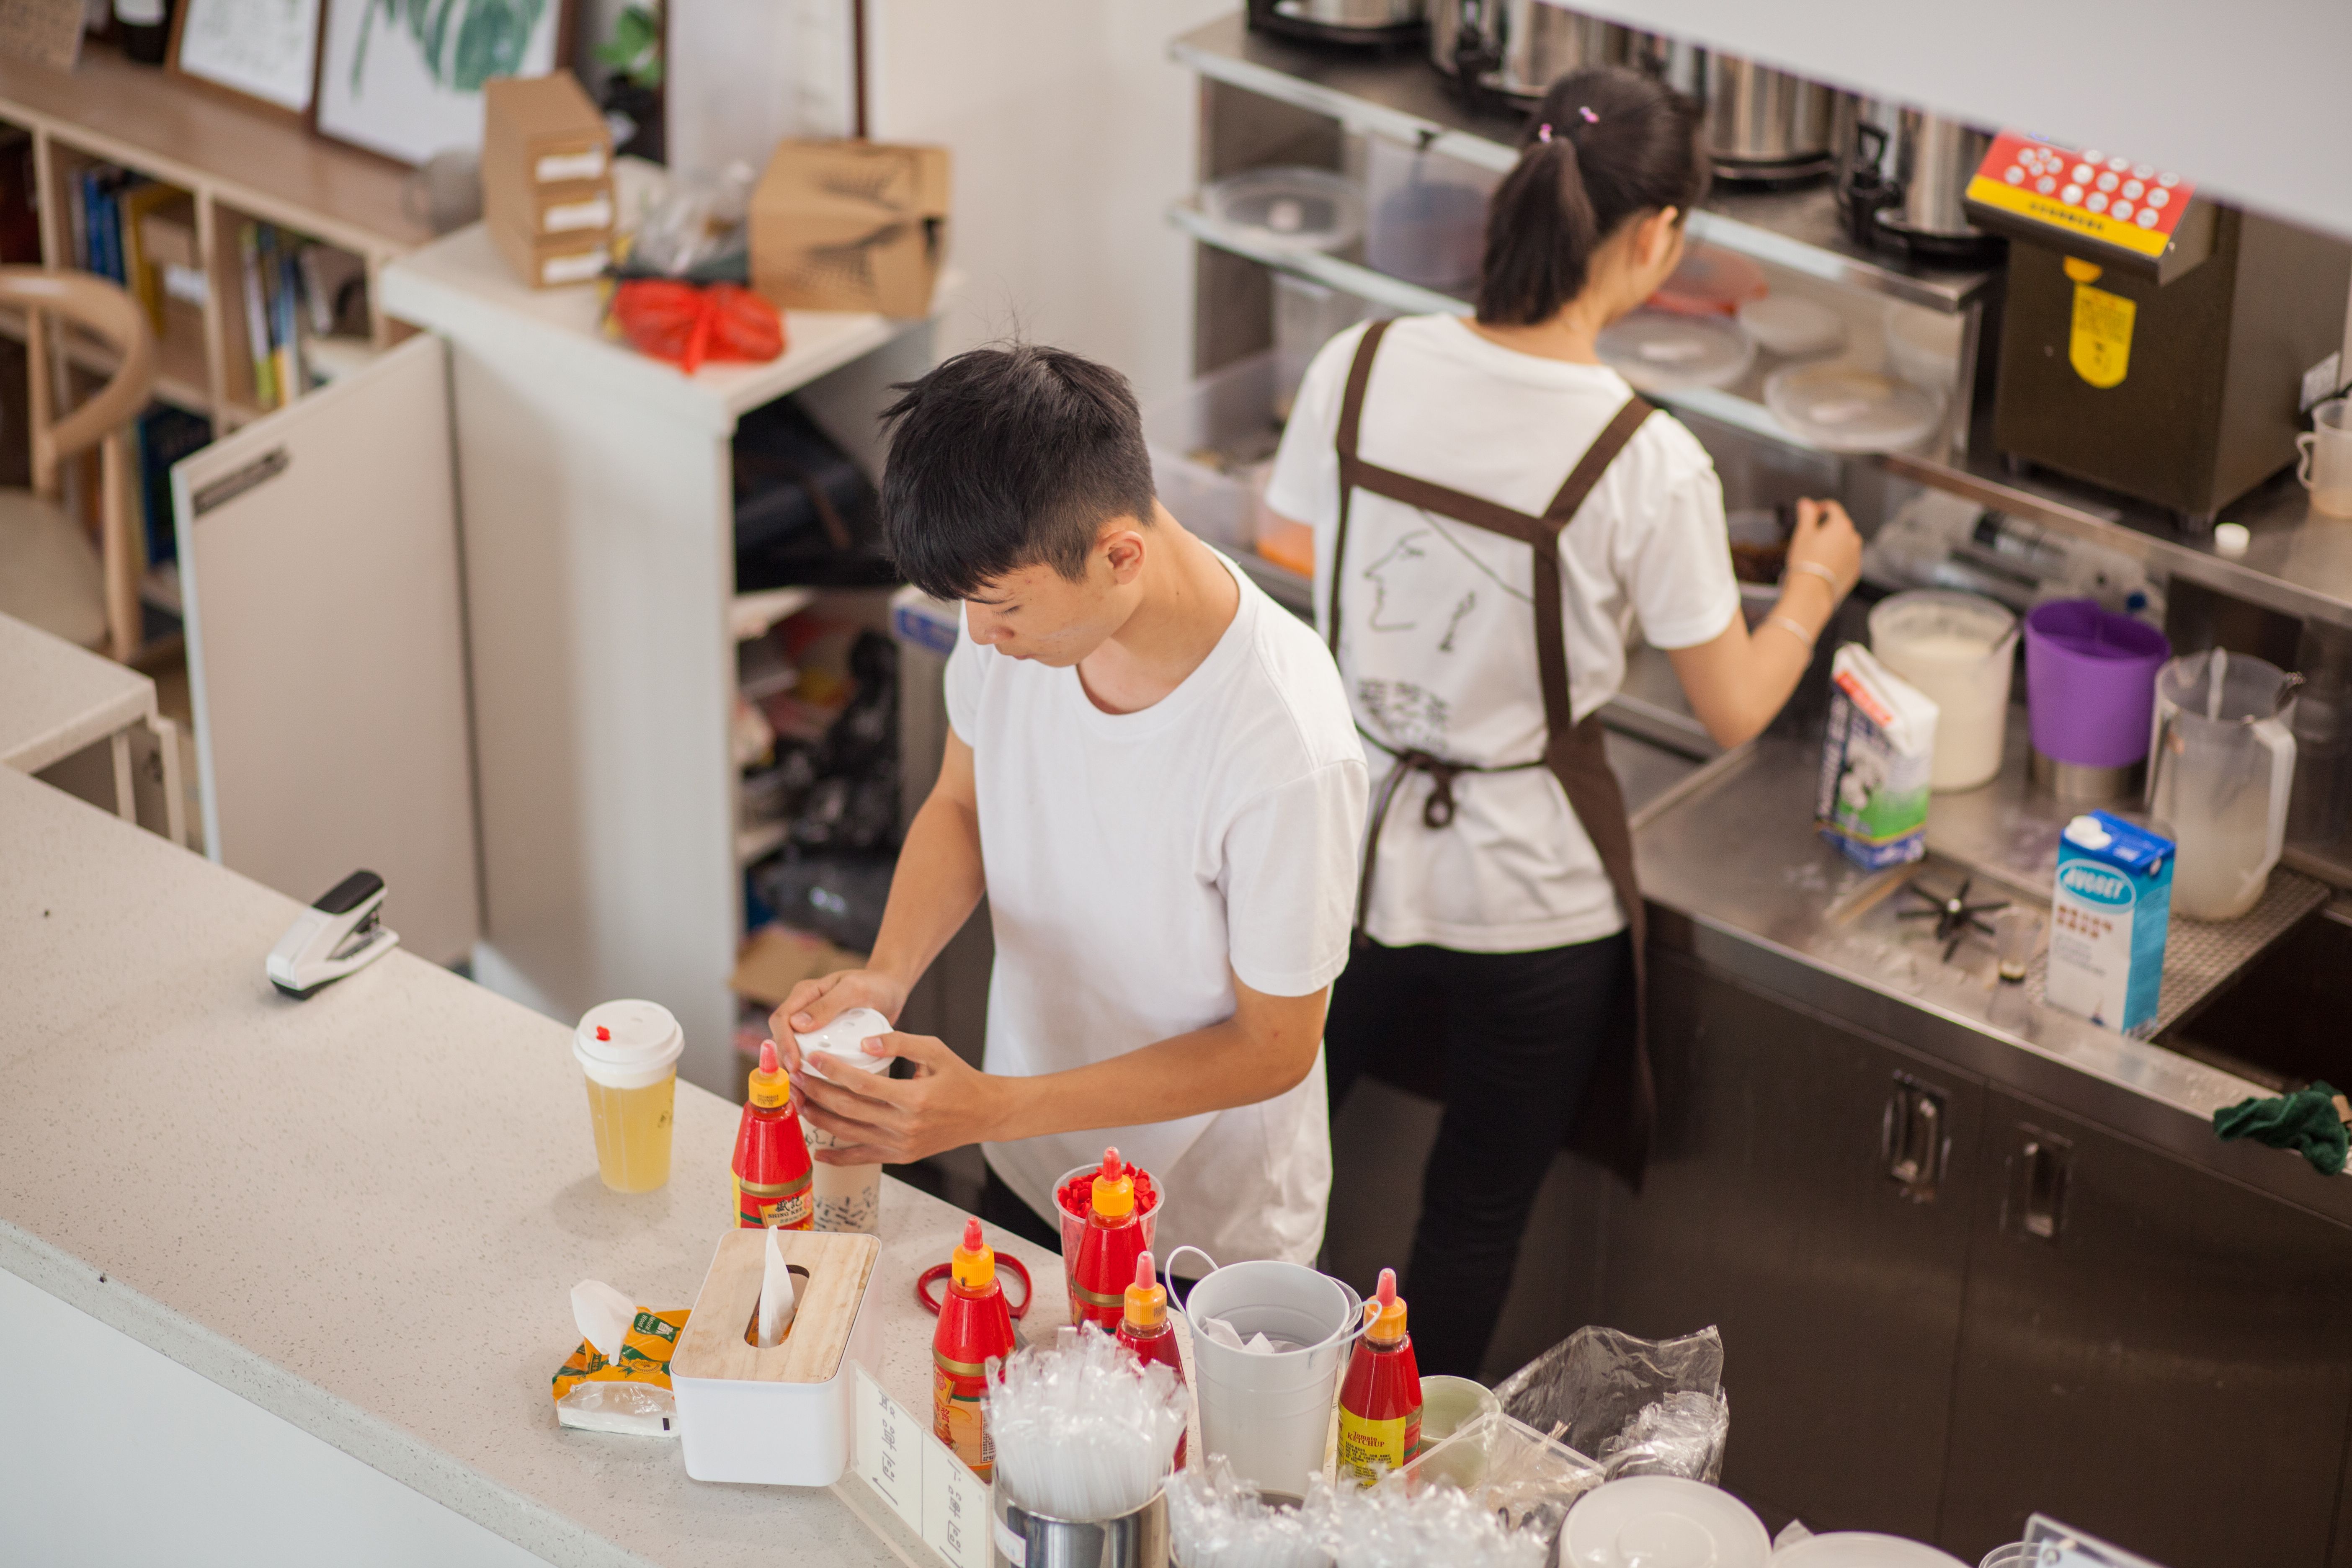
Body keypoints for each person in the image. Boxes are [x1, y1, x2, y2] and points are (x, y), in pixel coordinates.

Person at [1261, 66, 1863, 1375]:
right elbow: (1732, 708)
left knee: (1267, 1168)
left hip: (1342, 857)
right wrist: (1814, 585)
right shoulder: (1649, 460)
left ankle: (1236, 1397)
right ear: (1656, 241)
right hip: (1534, 904)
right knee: (1468, 1223)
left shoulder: (1359, 364)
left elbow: (1282, 531)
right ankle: (1392, 1482)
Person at [770, 343, 1371, 1269]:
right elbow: (963, 807)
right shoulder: (1021, 622)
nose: (979, 634)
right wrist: (887, 976)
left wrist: (994, 1105)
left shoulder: (1283, 744)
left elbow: (1275, 1045)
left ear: (1118, 554)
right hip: (1024, 1161)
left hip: (1193, 1236)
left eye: (1002, 608)